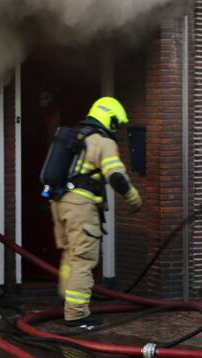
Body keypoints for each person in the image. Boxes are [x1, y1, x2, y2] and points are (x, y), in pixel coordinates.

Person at [51, 97, 142, 328]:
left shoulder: (77, 136)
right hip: (80, 205)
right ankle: (76, 313)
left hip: (59, 202)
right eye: (116, 123)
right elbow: (117, 177)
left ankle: (67, 298)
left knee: (71, 255)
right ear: (109, 118)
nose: (116, 129)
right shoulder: (103, 142)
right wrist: (134, 200)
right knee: (84, 258)